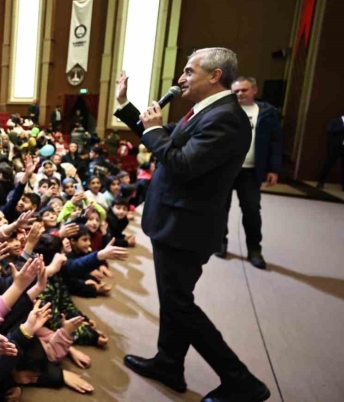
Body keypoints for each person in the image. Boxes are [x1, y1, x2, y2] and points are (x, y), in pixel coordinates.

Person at [114, 50, 269, 401]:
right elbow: (166, 136)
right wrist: (127, 106)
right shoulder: (208, 110)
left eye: (188, 71)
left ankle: (242, 382)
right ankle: (169, 363)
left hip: (186, 227)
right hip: (177, 220)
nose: (181, 78)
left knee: (180, 305)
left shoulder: (226, 118)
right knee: (174, 301)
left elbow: (180, 163)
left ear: (215, 76)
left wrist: (154, 131)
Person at [216, 76, 284, 268]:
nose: (239, 94)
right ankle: (220, 242)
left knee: (252, 211)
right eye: (236, 91)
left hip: (251, 171)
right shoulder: (225, 110)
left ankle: (255, 250)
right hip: (226, 170)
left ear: (254, 90)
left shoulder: (267, 113)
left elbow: (276, 142)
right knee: (220, 209)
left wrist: (274, 169)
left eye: (244, 90)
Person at [317, 115, 344, 190]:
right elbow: (329, 129)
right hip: (334, 148)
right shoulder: (335, 121)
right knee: (328, 165)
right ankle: (321, 183)